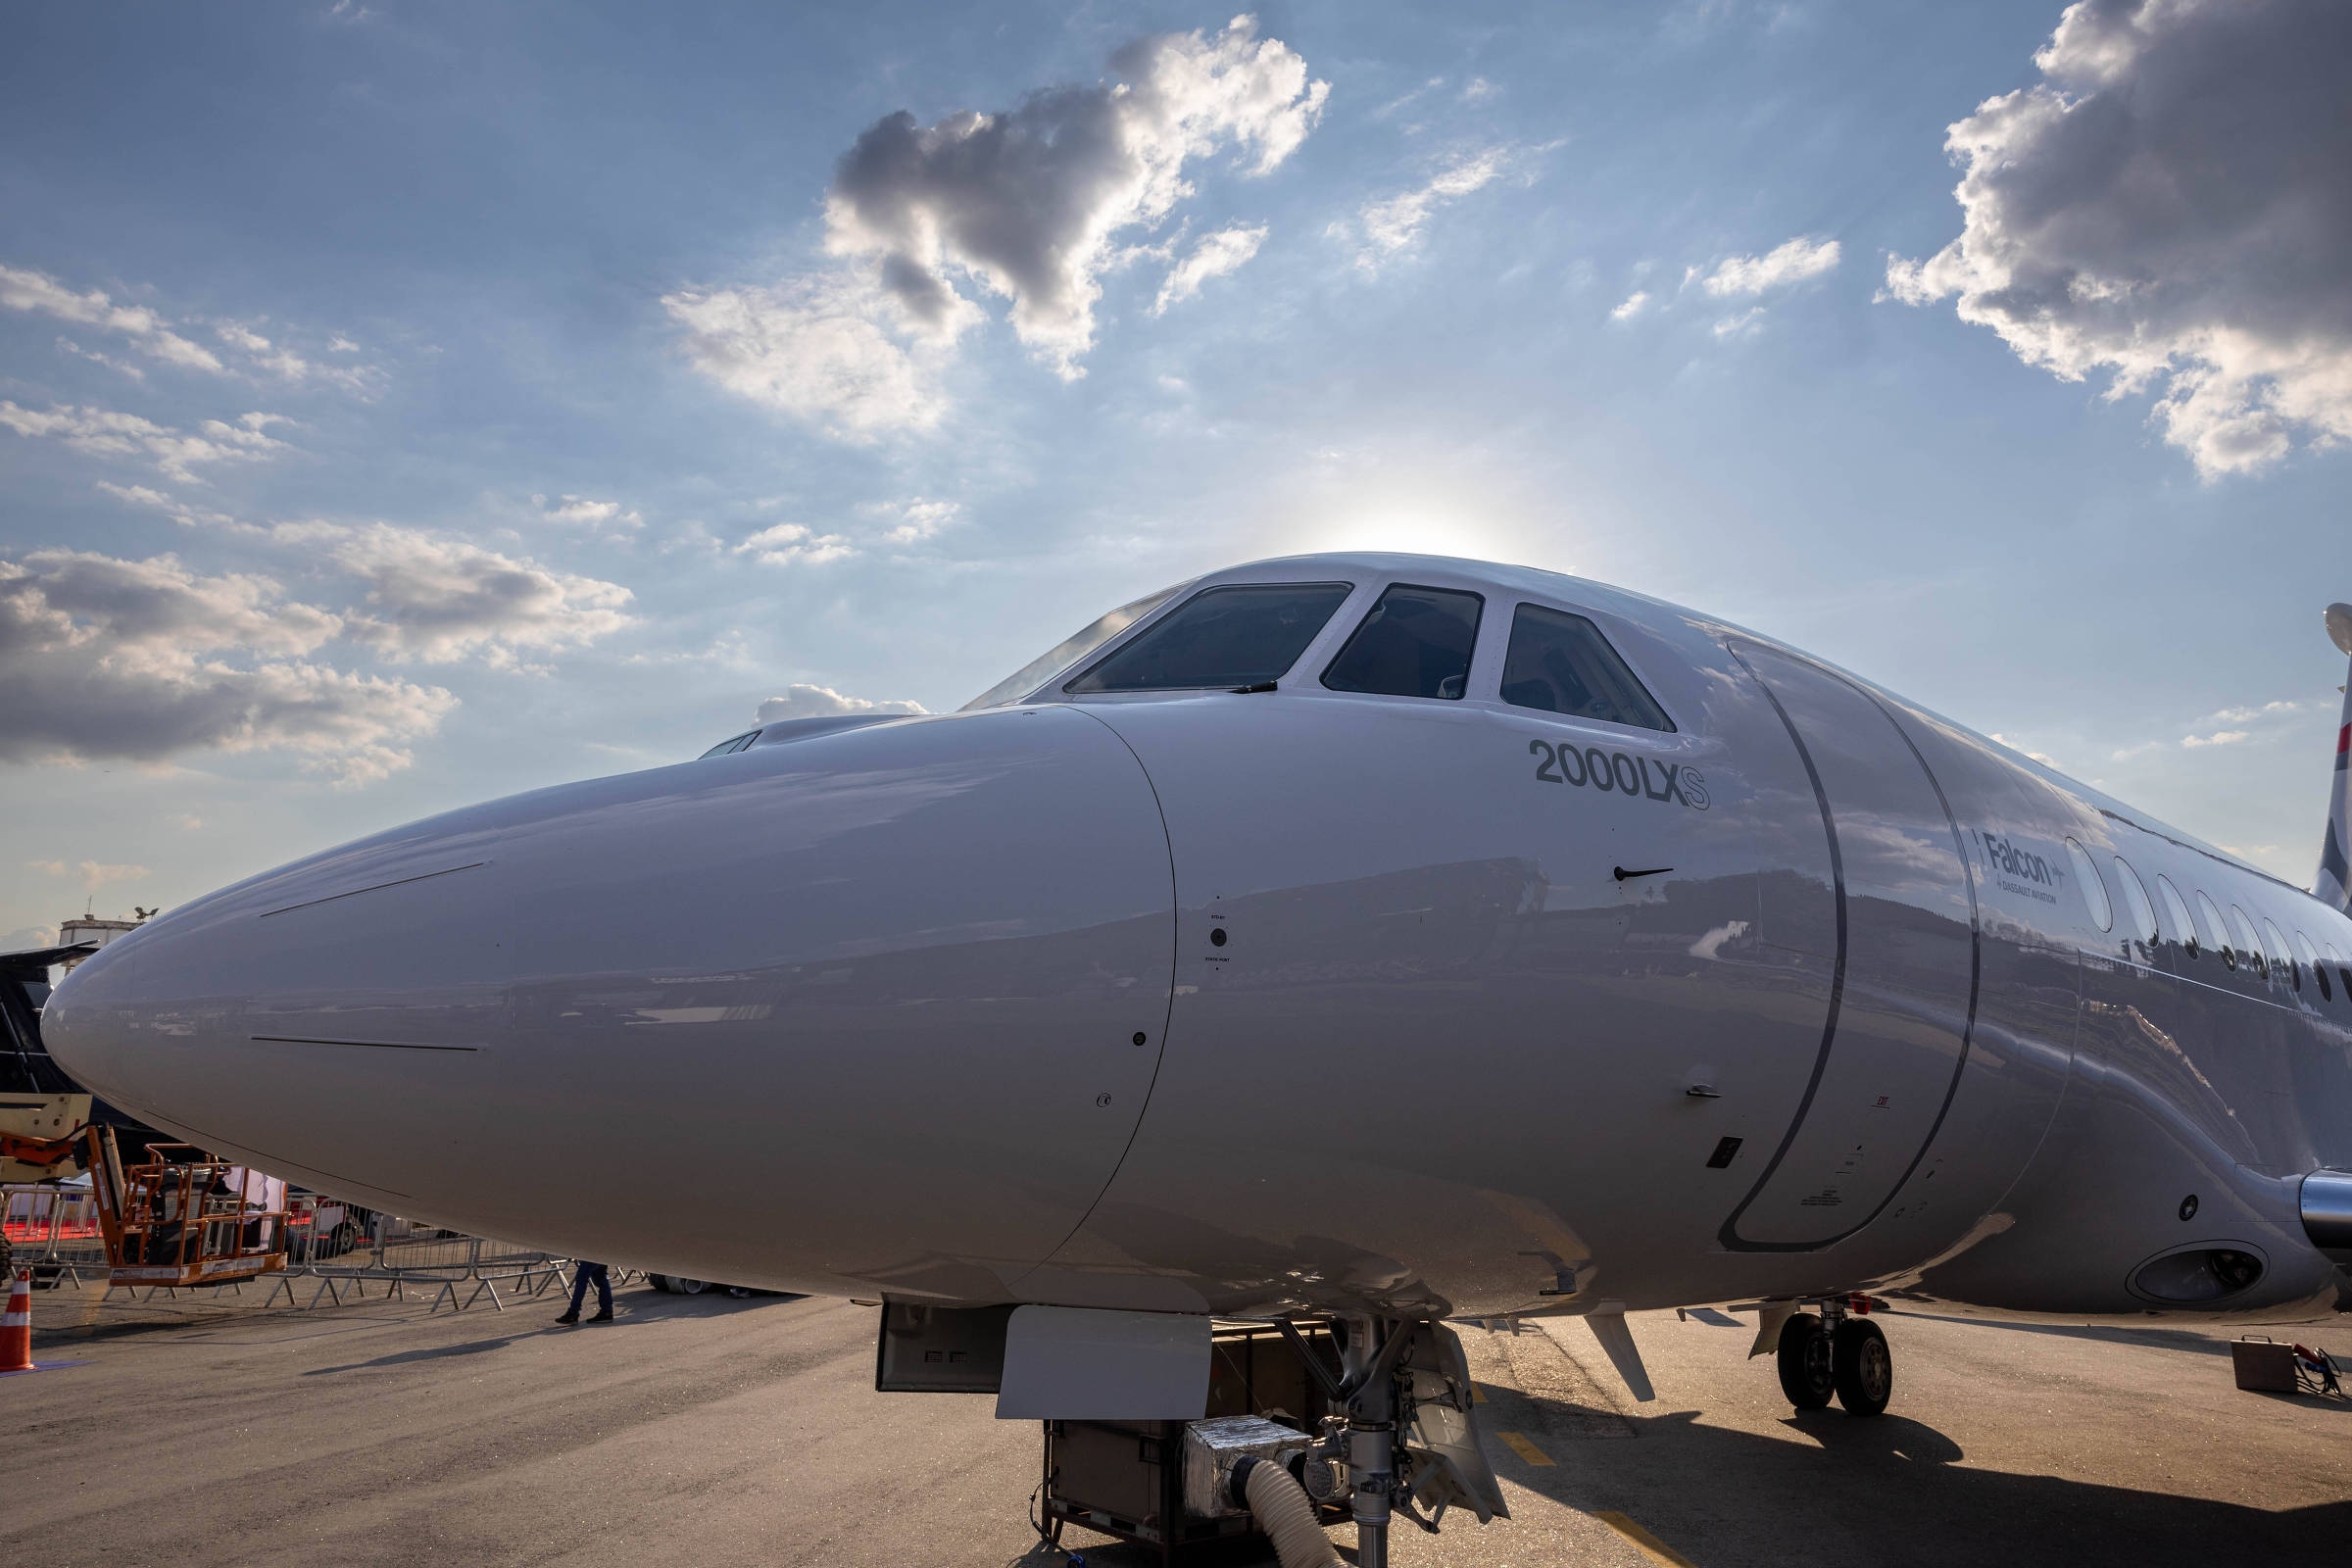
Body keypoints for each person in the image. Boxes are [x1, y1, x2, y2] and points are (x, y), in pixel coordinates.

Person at [557, 1259, 612, 1324]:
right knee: (601, 1279)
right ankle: (607, 1311)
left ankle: (573, 1312)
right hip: (601, 1253)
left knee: (582, 1278)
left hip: (592, 1253)